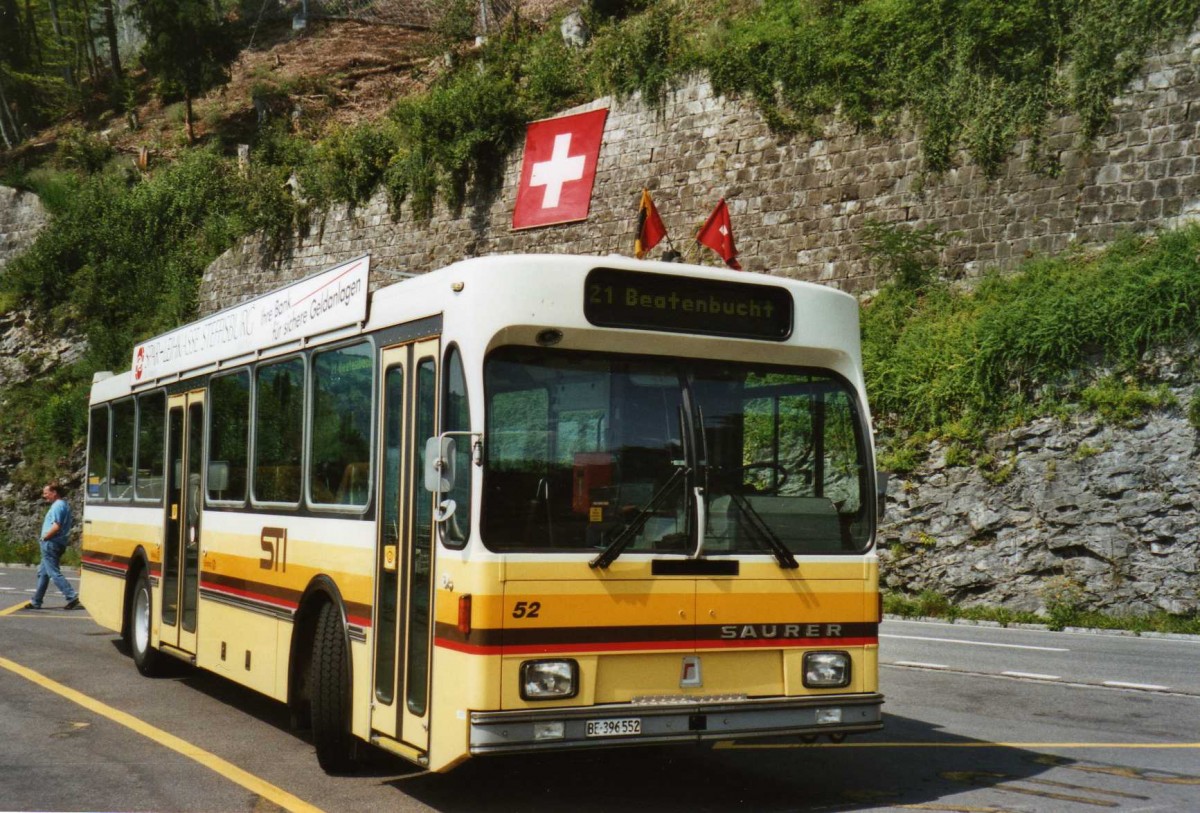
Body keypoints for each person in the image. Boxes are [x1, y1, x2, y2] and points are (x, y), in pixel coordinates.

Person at [24, 482, 82, 610]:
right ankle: (36, 601)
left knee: (53, 573)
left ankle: (71, 596)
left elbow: (56, 526)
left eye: (46, 493)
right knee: (43, 573)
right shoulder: (63, 505)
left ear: (54, 492)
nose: (44, 496)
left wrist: (45, 537)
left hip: (51, 543)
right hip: (56, 542)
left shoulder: (57, 506)